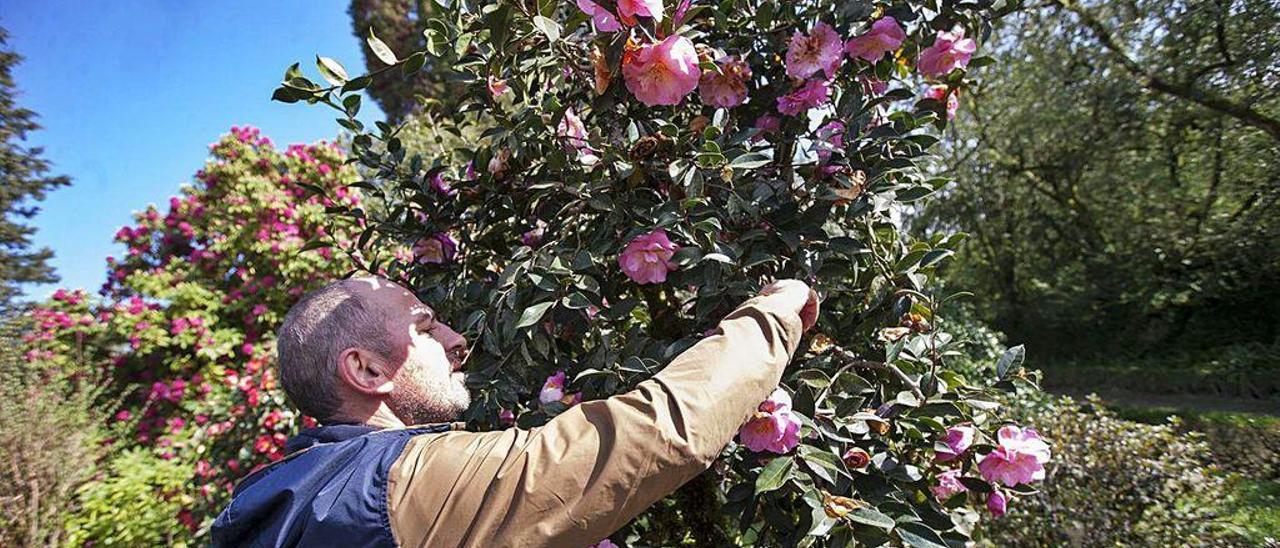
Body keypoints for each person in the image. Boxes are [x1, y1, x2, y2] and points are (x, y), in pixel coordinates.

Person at [211, 276, 819, 547]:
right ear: (367, 370)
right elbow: (653, 434)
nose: (455, 338)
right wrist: (775, 314)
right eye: (424, 325)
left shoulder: (288, 503)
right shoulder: (394, 489)